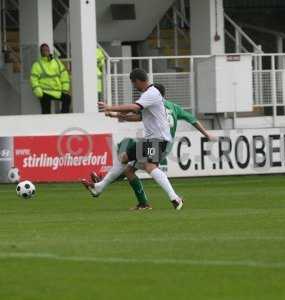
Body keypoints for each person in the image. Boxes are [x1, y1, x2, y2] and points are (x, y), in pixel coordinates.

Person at [84, 83, 215, 210]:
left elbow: (137, 115)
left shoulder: (153, 103)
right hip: (164, 144)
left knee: (142, 165)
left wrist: (114, 112)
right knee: (129, 169)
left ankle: (101, 184)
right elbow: (192, 119)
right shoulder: (174, 107)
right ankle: (142, 202)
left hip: (156, 142)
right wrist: (206, 134)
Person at [86, 69, 184, 210]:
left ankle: (174, 197)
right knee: (128, 163)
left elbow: (134, 107)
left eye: (133, 83)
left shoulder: (152, 92)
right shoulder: (149, 95)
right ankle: (171, 199)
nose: (134, 87)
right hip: (157, 140)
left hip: (157, 140)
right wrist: (115, 115)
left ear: (138, 81)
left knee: (140, 164)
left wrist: (111, 106)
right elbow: (138, 115)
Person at [30, 43, 71, 114]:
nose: (46, 51)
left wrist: (65, 89)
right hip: (45, 92)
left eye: (47, 50)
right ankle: (45, 123)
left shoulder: (57, 62)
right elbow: (34, 79)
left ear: (49, 51)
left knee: (67, 98)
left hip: (57, 91)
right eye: (44, 50)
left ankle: (63, 118)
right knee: (46, 111)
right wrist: (39, 92)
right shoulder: (37, 65)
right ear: (41, 52)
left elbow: (64, 75)